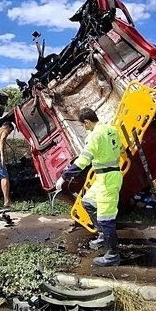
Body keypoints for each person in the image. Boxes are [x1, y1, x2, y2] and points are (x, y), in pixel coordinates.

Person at [57, 107, 124, 267]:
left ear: (87, 121)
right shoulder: (111, 130)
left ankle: (113, 255)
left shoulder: (95, 135)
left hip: (108, 179)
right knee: (87, 202)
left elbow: (82, 161)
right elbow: (120, 149)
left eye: (84, 125)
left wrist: (64, 176)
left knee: (105, 218)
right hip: (105, 177)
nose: (84, 128)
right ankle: (102, 235)